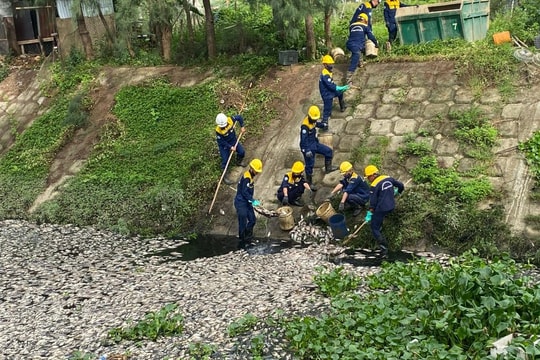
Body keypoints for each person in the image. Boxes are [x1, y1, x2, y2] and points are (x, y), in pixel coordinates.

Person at [364, 164, 404, 257]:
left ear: (373, 175)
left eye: (368, 177)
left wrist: (370, 213)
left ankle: (384, 249)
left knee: (374, 227)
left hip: (382, 209)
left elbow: (373, 203)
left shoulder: (374, 185)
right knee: (379, 218)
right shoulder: (388, 178)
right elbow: (401, 185)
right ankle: (380, 224)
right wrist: (398, 191)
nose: (368, 179)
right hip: (392, 206)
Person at [300, 105, 339, 190]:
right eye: (314, 118)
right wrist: (306, 150)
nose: (315, 120)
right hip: (308, 148)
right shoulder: (305, 126)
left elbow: (316, 124)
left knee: (328, 151)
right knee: (310, 165)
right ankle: (309, 182)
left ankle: (328, 168)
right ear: (309, 116)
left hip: (314, 143)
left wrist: (322, 125)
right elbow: (303, 140)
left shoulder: (312, 120)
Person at [234, 158, 263, 249]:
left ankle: (248, 237)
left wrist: (251, 201)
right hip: (241, 202)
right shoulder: (246, 177)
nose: (257, 172)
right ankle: (242, 241)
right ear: (252, 168)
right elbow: (244, 192)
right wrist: (253, 200)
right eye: (256, 170)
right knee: (242, 222)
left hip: (247, 202)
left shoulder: (250, 177)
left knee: (252, 220)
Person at [346, 13, 379, 84]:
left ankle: (360, 63)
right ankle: (348, 81)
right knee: (356, 56)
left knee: (361, 48)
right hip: (356, 45)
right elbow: (371, 37)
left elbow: (354, 35)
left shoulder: (351, 26)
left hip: (349, 44)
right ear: (365, 20)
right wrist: (376, 44)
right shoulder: (365, 26)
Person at [319, 55, 350, 129]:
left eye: (332, 64)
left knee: (340, 93)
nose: (331, 65)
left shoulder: (328, 72)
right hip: (326, 94)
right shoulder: (325, 74)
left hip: (330, 91)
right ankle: (324, 123)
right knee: (327, 109)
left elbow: (331, 84)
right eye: (329, 64)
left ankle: (342, 106)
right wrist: (339, 87)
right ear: (325, 65)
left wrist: (340, 89)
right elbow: (331, 86)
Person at [215, 112, 246, 185]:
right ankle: (224, 177)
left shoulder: (230, 120)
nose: (224, 127)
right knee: (225, 160)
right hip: (224, 145)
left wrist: (242, 126)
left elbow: (239, 117)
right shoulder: (218, 131)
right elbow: (221, 141)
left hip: (233, 140)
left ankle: (238, 161)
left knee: (242, 152)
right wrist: (230, 147)